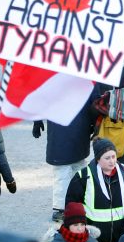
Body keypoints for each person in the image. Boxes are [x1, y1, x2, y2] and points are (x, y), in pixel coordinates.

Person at [33, 83, 104, 222]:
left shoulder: (53, 73)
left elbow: (40, 95)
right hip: (80, 128)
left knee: (63, 171)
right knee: (78, 169)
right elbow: (96, 103)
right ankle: (80, 203)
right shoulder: (88, 75)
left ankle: (60, 208)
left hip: (60, 130)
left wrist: (37, 119)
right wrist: (97, 124)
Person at [65, 138, 124, 242]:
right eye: (107, 158)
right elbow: (71, 206)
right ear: (98, 159)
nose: (112, 161)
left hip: (119, 241)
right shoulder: (83, 177)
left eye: (113, 156)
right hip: (92, 241)